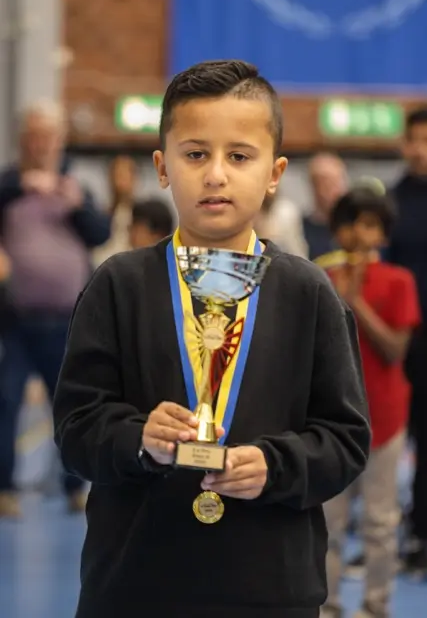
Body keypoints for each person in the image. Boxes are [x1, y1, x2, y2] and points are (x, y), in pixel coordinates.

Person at [53, 60, 370, 618]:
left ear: (274, 173)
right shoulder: (119, 285)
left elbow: (345, 441)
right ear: (163, 166)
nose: (216, 175)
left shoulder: (308, 293)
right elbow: (76, 429)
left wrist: (275, 464)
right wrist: (138, 438)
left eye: (239, 157)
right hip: (135, 586)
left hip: (271, 588)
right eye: (196, 154)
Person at [0, 100, 110, 517]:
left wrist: (77, 204)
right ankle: (4, 488)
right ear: (22, 139)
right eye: (34, 135)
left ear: (60, 140)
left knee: (71, 404)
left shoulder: (76, 186)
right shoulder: (7, 186)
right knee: (6, 402)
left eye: (48, 136)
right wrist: (21, 186)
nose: (41, 143)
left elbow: (100, 234)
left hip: (68, 320)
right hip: (17, 320)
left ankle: (74, 486)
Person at [319, 186, 421, 618]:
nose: (359, 233)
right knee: (328, 523)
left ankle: (376, 606)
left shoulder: (399, 281)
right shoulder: (321, 278)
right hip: (331, 420)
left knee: (380, 524)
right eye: (350, 224)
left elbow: (396, 350)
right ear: (337, 230)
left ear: (382, 234)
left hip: (386, 417)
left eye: (370, 225)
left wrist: (356, 302)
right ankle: (326, 605)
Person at [386, 107, 427, 574]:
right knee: (394, 440)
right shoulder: (392, 203)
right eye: (414, 140)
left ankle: (421, 532)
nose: (419, 149)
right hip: (399, 342)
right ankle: (393, 531)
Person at [303, 152, 348, 260]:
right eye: (325, 184)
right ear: (313, 187)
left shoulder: (354, 226)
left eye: (336, 183)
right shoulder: (301, 228)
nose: (333, 191)